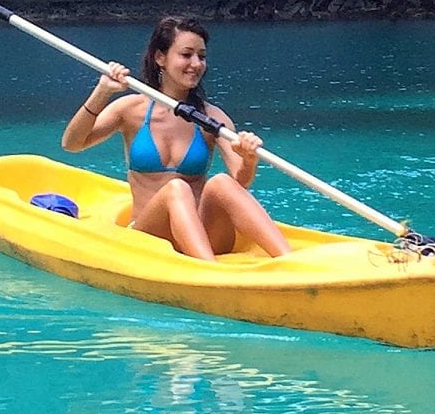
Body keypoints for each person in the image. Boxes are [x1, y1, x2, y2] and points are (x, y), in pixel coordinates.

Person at [60, 15, 291, 260]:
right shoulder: (131, 110)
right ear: (161, 57)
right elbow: (72, 144)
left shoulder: (211, 117)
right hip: (150, 236)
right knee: (177, 189)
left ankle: (290, 260)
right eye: (186, 54)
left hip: (204, 233)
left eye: (201, 56)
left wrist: (248, 160)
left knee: (221, 182)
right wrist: (102, 91)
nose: (196, 63)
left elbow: (239, 182)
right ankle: (209, 274)